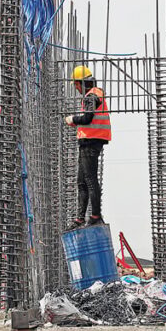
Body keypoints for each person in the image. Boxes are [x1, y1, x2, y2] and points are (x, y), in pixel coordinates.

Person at [64, 66, 111, 228]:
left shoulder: (92, 96)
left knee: (90, 181)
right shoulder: (94, 94)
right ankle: (80, 218)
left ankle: (95, 215)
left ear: (80, 83)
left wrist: (73, 119)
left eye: (76, 85)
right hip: (88, 142)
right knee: (82, 182)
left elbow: (87, 118)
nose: (76, 89)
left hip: (91, 142)